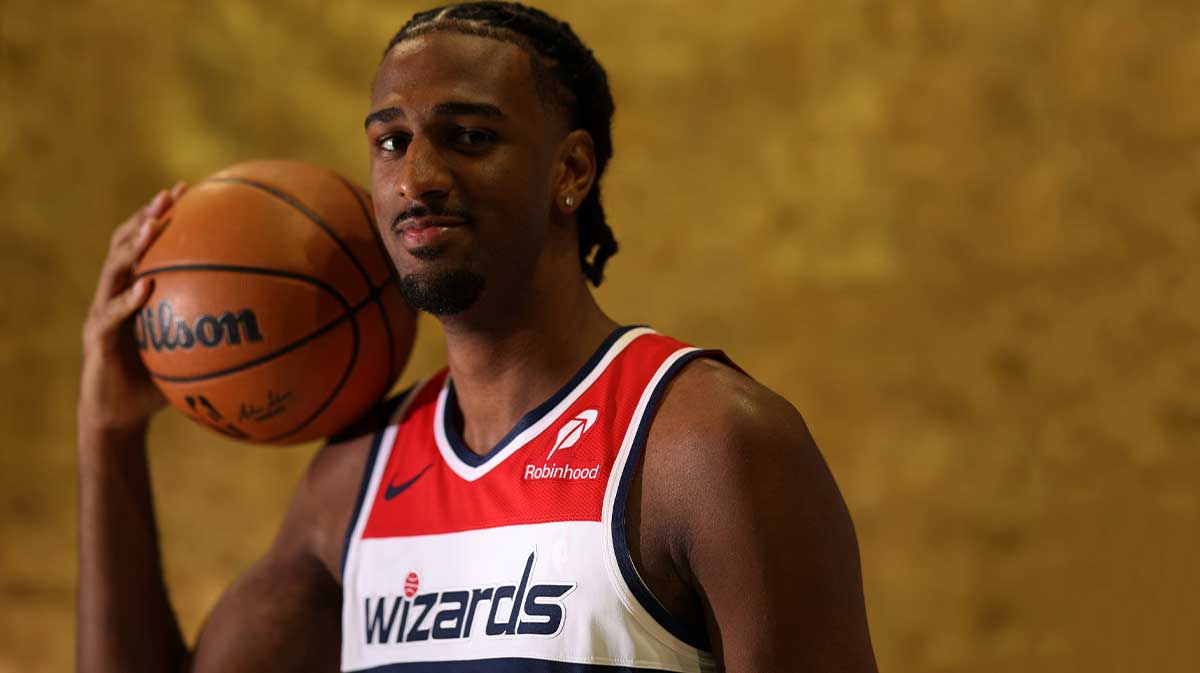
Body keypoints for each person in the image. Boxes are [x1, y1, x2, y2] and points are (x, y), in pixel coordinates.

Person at [76, 3, 878, 671]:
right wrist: (108, 432)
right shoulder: (354, 481)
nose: (415, 177)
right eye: (392, 140)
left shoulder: (705, 445)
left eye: (469, 137)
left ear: (570, 172)